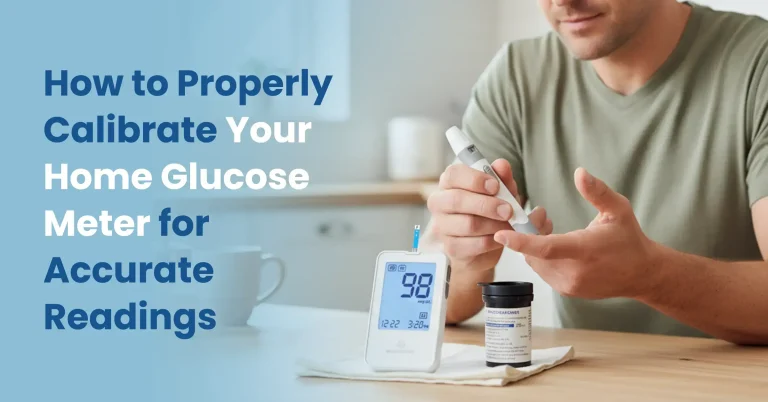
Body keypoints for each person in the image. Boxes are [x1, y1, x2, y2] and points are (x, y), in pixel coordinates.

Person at [422, 0, 768, 345]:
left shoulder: (757, 62)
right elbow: (435, 306)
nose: (563, 2)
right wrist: (465, 257)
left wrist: (652, 276)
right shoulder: (518, 75)